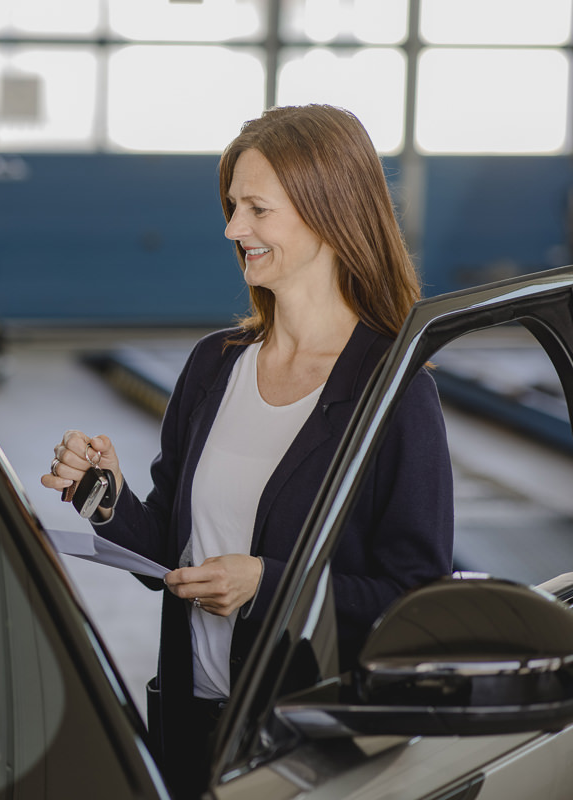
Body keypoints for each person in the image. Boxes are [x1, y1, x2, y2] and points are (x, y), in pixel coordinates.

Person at [40, 104, 453, 796]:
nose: (234, 230)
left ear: (330, 212)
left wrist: (268, 584)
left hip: (312, 744)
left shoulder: (395, 394)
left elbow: (412, 598)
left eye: (258, 209)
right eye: (233, 207)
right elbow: (173, 558)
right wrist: (103, 496)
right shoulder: (214, 366)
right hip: (196, 724)